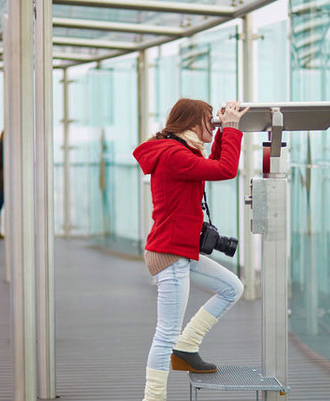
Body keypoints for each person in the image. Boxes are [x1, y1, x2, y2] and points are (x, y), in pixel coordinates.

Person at [133, 98, 249, 401]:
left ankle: (187, 347)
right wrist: (233, 127)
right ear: (192, 122)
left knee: (231, 287)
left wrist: (223, 131)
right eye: (209, 119)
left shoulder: (179, 151)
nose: (213, 123)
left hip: (181, 249)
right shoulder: (173, 155)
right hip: (171, 255)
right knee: (165, 334)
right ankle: (153, 397)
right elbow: (225, 169)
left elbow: (213, 164)